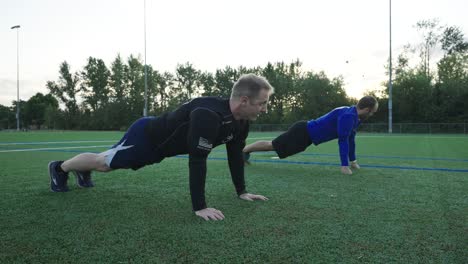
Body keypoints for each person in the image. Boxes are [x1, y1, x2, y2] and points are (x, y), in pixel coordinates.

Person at [48, 73, 275, 221]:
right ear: (244, 100)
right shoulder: (209, 115)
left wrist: (242, 192)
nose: (264, 109)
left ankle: (80, 169)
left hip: (162, 146)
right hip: (147, 138)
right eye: (262, 103)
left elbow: (235, 155)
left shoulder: (242, 122)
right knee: (104, 164)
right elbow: (197, 160)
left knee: (104, 163)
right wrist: (200, 207)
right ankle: (60, 168)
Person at [243, 96, 378, 175]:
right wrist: (344, 165)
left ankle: (245, 151)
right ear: (366, 109)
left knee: (274, 147)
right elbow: (343, 141)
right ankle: (244, 150)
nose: (371, 115)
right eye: (371, 112)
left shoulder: (354, 117)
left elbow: (350, 140)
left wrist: (353, 161)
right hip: (302, 132)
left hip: (307, 137)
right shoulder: (348, 116)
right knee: (272, 145)